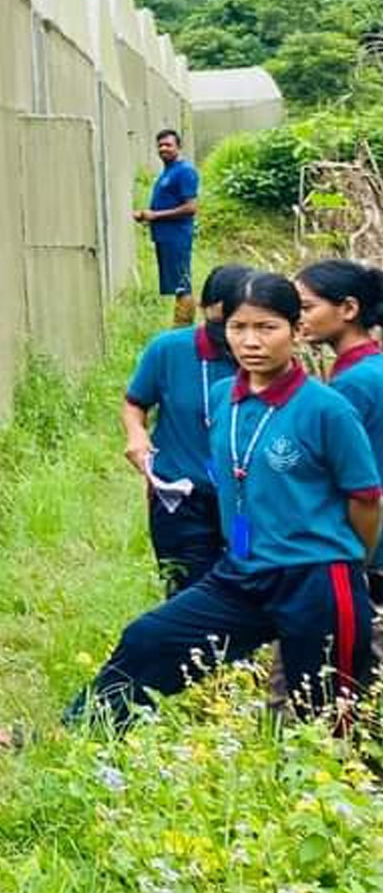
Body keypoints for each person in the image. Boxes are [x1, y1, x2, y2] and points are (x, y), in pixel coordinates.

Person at [70, 272, 381, 728]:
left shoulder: (327, 408)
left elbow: (366, 500)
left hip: (315, 578)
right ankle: (77, 735)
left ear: (296, 332)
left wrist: (345, 560)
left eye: (267, 327)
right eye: (240, 328)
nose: (251, 341)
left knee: (323, 714)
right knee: (149, 639)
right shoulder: (222, 399)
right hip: (242, 572)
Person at [121, 263, 252, 592]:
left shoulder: (264, 359)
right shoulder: (169, 350)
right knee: (187, 592)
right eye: (222, 325)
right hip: (181, 498)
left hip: (244, 504)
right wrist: (137, 434)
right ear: (205, 310)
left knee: (243, 586)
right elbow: (135, 402)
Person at [296, 259, 383, 662]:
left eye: (307, 307)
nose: (299, 319)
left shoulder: (351, 385)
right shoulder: (371, 369)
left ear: (348, 309)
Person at [133, 129, 201, 326]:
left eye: (168, 145)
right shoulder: (167, 172)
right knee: (176, 283)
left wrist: (155, 215)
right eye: (160, 145)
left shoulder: (185, 171)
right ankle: (179, 326)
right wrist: (146, 214)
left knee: (182, 283)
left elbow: (191, 207)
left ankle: (182, 327)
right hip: (165, 236)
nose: (163, 148)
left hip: (177, 236)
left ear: (178, 147)